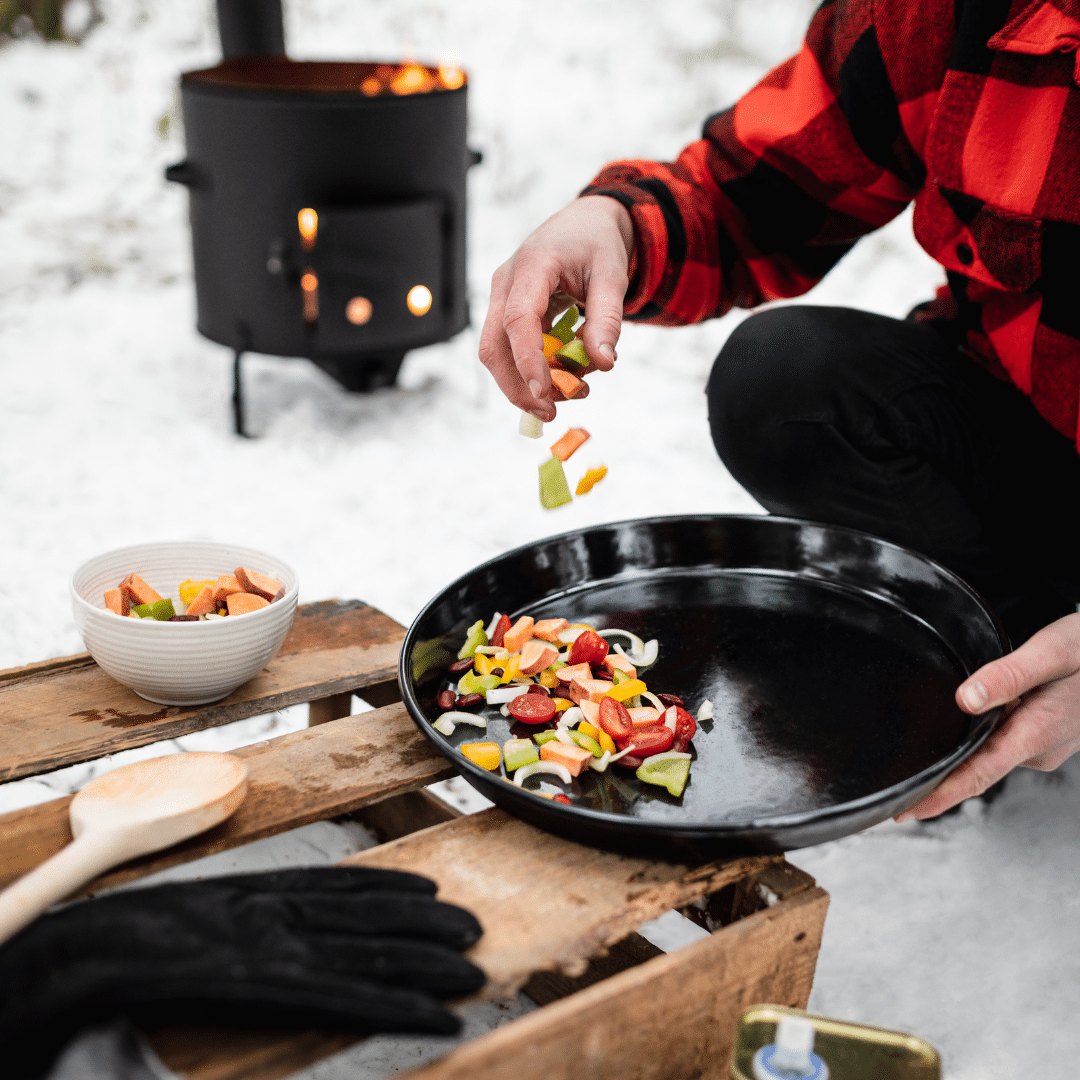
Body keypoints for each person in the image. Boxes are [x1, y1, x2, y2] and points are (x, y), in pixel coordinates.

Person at [478, 0, 1080, 821]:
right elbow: (753, 195)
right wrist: (614, 224)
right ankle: (1005, 660)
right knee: (783, 381)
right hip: (1032, 441)